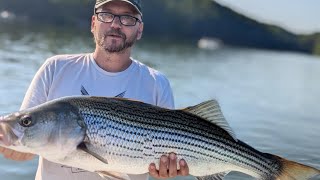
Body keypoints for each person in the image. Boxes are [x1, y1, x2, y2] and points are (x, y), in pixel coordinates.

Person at [0, 0, 190, 179]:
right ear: (93, 23)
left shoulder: (156, 83)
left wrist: (165, 171)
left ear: (139, 29)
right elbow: (24, 150)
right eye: (106, 15)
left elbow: (166, 163)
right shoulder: (55, 68)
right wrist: (10, 142)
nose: (115, 24)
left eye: (127, 18)